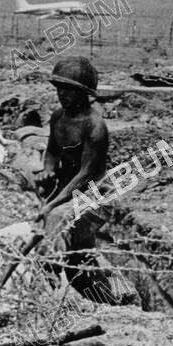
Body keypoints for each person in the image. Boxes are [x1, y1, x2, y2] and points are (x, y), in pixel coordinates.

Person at [35, 56, 119, 304]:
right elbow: (51, 151)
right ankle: (109, 304)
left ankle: (47, 286)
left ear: (84, 94)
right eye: (60, 89)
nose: (63, 95)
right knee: (78, 263)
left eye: (70, 91)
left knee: (56, 219)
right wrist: (48, 169)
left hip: (93, 195)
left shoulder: (95, 126)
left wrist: (52, 204)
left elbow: (86, 174)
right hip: (67, 190)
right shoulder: (58, 117)